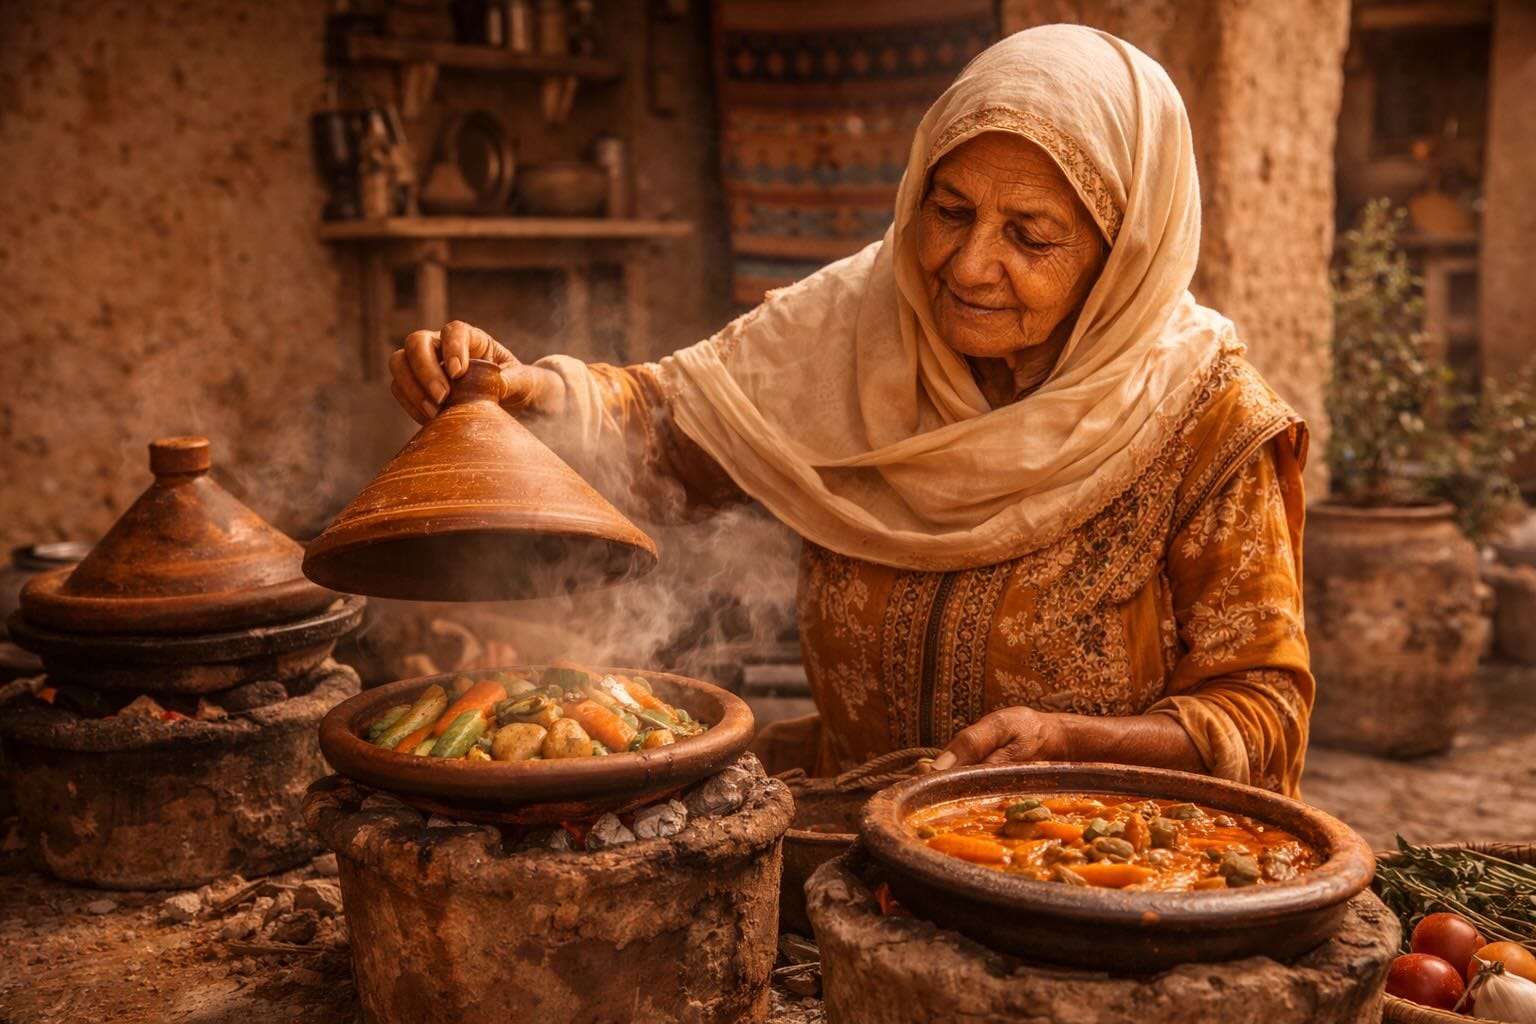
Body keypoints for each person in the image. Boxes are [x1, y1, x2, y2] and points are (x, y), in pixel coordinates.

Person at [387, 25, 1313, 796]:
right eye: (948, 210)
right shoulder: (860, 323)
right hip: (847, 846)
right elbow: (670, 431)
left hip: (1082, 876)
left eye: (1029, 235)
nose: (965, 265)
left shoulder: (1207, 423)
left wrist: (1076, 740)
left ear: (1125, 256)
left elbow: (1260, 710)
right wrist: (526, 391)